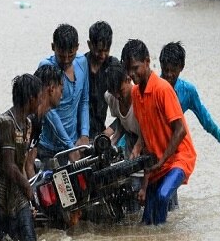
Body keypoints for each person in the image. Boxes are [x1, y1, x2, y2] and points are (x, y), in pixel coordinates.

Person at [121, 39, 196, 225]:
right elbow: (147, 137)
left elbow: (180, 131)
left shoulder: (163, 89)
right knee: (147, 221)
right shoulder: (136, 95)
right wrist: (145, 184)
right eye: (128, 70)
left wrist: (162, 160)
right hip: (157, 164)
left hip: (179, 158)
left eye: (135, 68)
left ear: (147, 61)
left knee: (163, 197)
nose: (132, 74)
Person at [0, 65, 63, 218]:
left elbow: (28, 164)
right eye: (61, 89)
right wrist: (29, 194)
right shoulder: (26, 118)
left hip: (9, 170)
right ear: (51, 88)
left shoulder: (38, 120)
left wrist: (33, 199)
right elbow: (17, 165)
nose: (62, 94)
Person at [0, 74, 41, 241]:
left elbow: (20, 164)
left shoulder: (28, 124)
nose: (41, 102)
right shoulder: (5, 123)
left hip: (17, 199)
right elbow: (9, 166)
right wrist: (28, 187)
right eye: (39, 97)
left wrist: (29, 199)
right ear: (31, 99)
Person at [159, 41, 220, 164]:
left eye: (173, 71)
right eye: (166, 70)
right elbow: (136, 118)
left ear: (181, 67)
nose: (169, 75)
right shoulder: (152, 87)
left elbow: (207, 122)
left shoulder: (188, 91)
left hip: (168, 147)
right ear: (161, 65)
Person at [37, 24, 90, 163]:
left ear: (78, 47)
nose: (66, 59)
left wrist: (84, 133)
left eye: (71, 54)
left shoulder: (82, 62)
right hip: (48, 147)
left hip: (74, 143)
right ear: (53, 47)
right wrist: (69, 147)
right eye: (61, 55)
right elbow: (49, 111)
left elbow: (84, 100)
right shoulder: (46, 67)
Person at [85, 21, 120, 138]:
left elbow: (128, 106)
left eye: (107, 50)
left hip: (100, 132)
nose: (103, 55)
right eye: (99, 50)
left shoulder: (113, 66)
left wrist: (108, 132)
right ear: (90, 45)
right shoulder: (80, 65)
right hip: (78, 134)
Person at [103, 61, 144, 159]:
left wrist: (137, 147)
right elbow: (121, 120)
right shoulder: (110, 97)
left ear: (128, 79)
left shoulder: (141, 99)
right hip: (130, 139)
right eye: (113, 92)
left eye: (120, 91)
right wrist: (112, 141)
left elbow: (149, 129)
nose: (117, 96)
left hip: (148, 140)